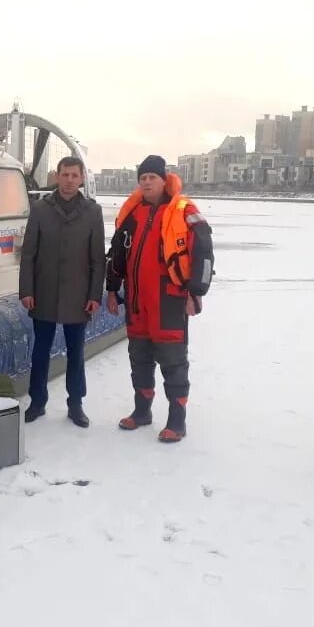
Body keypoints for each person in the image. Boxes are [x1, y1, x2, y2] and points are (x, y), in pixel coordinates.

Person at [105, 155, 214, 443]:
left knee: (173, 362)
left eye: (152, 177)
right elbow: (117, 254)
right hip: (138, 301)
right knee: (139, 359)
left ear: (164, 180)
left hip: (170, 301)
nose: (147, 182)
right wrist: (112, 288)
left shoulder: (184, 210)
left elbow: (203, 252)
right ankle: (142, 412)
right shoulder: (133, 213)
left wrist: (196, 292)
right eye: (143, 178)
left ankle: (177, 421)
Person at [19, 156, 105, 426]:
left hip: (78, 296)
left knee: (76, 352)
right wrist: (26, 290)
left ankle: (76, 403)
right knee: (40, 350)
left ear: (81, 179)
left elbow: (97, 258)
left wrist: (94, 294)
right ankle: (37, 401)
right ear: (57, 176)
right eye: (65, 175)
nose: (69, 180)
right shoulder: (40, 209)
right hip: (44, 292)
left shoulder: (93, 211)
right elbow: (29, 254)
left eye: (74, 175)